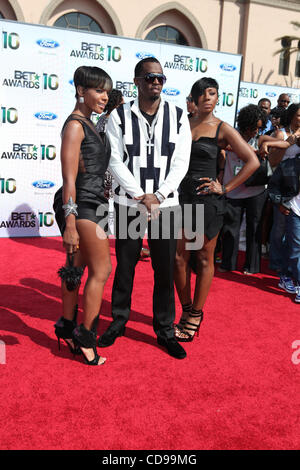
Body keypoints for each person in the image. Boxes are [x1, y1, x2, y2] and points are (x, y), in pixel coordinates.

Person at [98, 57, 192, 359]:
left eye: (160, 78)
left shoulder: (178, 116)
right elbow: (114, 160)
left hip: (166, 205)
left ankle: (164, 331)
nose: (155, 82)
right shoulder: (119, 116)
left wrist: (159, 195)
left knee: (164, 269)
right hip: (130, 204)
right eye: (149, 77)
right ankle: (119, 321)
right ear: (137, 81)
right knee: (125, 267)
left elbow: (181, 162)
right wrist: (141, 195)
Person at [174, 79, 259, 342]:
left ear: (217, 98)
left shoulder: (222, 128)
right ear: (194, 98)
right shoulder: (181, 124)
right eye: (203, 93)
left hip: (207, 202)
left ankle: (195, 314)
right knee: (179, 259)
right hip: (181, 198)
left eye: (213, 93)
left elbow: (252, 161)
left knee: (202, 258)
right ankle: (186, 309)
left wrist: (225, 187)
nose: (208, 98)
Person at [53, 66, 113, 366]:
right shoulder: (76, 126)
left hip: (95, 203)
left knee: (75, 268)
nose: (105, 96)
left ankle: (66, 326)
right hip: (82, 205)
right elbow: (70, 178)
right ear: (80, 90)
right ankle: (85, 337)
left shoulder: (90, 123)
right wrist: (71, 222)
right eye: (99, 90)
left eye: (107, 90)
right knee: (102, 270)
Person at [217, 104, 268, 276]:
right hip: (233, 190)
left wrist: (264, 148)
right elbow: (217, 143)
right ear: (246, 124)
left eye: (259, 128)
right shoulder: (232, 137)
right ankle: (227, 263)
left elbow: (283, 142)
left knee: (255, 229)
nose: (256, 131)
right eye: (254, 128)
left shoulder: (260, 139)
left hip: (257, 191)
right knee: (230, 228)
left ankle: (252, 266)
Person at [267, 139, 300, 303]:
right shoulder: (288, 165)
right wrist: (280, 202)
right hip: (294, 210)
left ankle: (289, 275)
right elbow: (273, 186)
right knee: (295, 247)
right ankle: (290, 277)